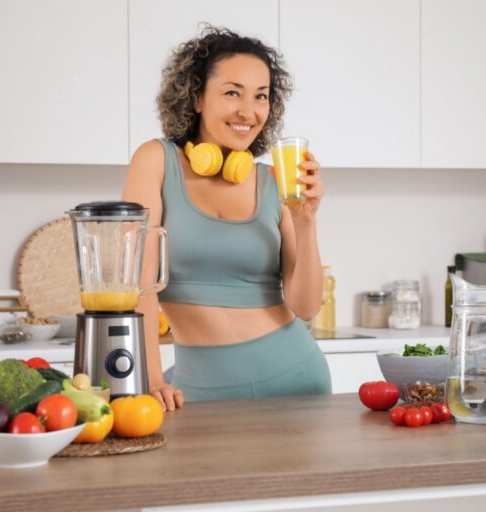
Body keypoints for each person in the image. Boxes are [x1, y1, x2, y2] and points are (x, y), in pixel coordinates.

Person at [122, 25, 330, 411]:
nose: (248, 111)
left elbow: (306, 306)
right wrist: (151, 380)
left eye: (260, 96)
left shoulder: (274, 181)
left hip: (298, 379)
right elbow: (139, 284)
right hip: (200, 392)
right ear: (197, 96)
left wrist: (306, 221)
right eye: (232, 92)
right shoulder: (156, 161)